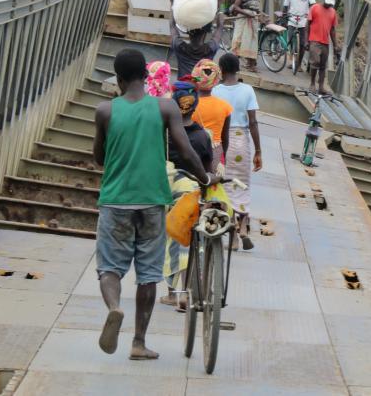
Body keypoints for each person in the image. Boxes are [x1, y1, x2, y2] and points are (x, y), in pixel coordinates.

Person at [93, 48, 215, 361]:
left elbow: (98, 158)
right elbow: (186, 151)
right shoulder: (165, 108)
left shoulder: (105, 111)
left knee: (109, 268)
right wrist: (204, 179)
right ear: (147, 77)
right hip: (152, 200)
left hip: (116, 200)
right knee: (147, 274)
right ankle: (138, 342)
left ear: (118, 79)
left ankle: (115, 308)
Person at [162, 80, 213, 310]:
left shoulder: (164, 134)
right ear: (195, 105)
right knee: (187, 243)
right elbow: (207, 170)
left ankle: (174, 293)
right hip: (191, 195)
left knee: (170, 243)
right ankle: (189, 290)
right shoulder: (202, 137)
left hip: (163, 193)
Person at [212, 53, 262, 250]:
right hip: (242, 141)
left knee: (225, 186)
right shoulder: (247, 90)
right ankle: (243, 228)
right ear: (237, 69)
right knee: (242, 185)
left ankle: (231, 237)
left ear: (221, 70)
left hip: (222, 142)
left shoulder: (215, 91)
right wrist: (258, 151)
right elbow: (254, 122)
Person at [191, 59, 232, 172]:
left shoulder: (188, 104)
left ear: (195, 78)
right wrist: (223, 158)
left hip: (192, 150)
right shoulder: (225, 106)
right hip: (215, 152)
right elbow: (225, 138)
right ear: (215, 81)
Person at [170, 12, 224, 78]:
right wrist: (220, 13)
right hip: (203, 88)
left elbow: (172, 25)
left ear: (188, 32)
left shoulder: (179, 47)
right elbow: (220, 27)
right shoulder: (210, 49)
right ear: (205, 33)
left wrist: (173, 6)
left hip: (183, 87)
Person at [307, 0, 340, 94]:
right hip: (314, 40)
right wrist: (306, 41)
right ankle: (312, 83)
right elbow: (308, 24)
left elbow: (332, 30)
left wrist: (335, 45)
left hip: (325, 42)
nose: (328, 4)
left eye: (330, 3)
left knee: (323, 65)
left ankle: (321, 87)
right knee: (315, 62)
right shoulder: (315, 8)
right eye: (327, 2)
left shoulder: (333, 12)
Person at [283, 0, 316, 73]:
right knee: (290, 40)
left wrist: (311, 17)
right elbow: (285, 6)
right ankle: (291, 61)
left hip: (303, 20)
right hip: (292, 19)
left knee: (302, 44)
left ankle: (299, 64)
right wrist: (284, 19)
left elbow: (313, 5)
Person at [231, 0, 261, 72]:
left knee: (252, 41)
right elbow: (235, 7)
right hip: (243, 20)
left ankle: (251, 65)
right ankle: (234, 65)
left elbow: (255, 6)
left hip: (252, 21)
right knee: (239, 40)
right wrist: (246, 13)